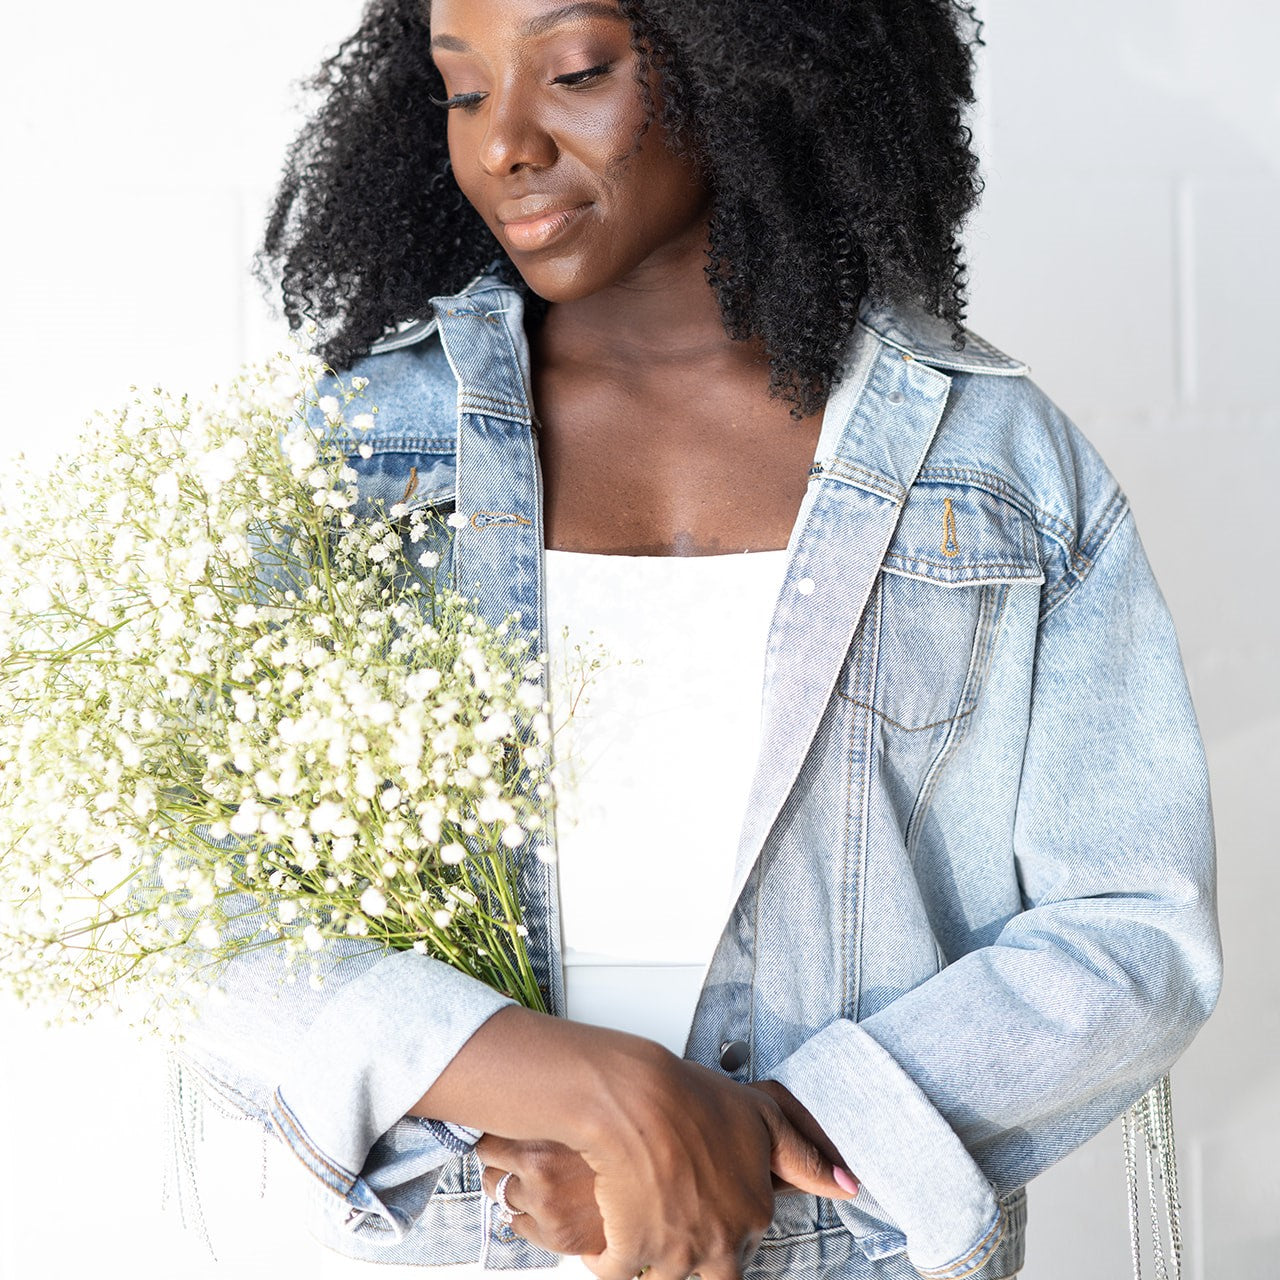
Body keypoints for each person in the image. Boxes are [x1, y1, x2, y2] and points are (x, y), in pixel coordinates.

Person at [174, 1, 1221, 1278]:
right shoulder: (352, 461)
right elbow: (200, 904)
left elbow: (1128, 929)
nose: (502, 141)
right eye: (460, 91)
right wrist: (581, 1095)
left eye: (572, 72)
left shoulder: (993, 463)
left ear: (753, 58)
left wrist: (753, 1132)